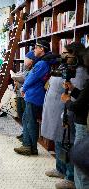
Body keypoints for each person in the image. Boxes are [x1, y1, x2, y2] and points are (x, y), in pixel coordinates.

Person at [42, 42, 88, 189]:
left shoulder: (80, 72)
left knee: (69, 142)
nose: (62, 56)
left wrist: (68, 104)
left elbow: (80, 99)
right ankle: (60, 169)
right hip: (60, 110)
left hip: (70, 113)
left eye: (65, 53)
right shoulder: (67, 67)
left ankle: (70, 177)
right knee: (59, 139)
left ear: (74, 55)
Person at [14, 40, 57, 156]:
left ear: (42, 49)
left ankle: (29, 147)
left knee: (30, 122)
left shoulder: (42, 63)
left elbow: (32, 78)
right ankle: (29, 145)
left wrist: (23, 88)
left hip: (34, 95)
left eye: (35, 48)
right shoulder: (43, 62)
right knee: (28, 120)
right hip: (35, 94)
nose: (34, 50)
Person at [61, 47, 89, 189]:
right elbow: (84, 99)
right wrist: (73, 89)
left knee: (81, 167)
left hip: (83, 123)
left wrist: (67, 100)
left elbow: (79, 106)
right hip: (81, 122)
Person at [12, 51, 38, 140]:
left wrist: (16, 78)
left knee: (25, 116)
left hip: (25, 95)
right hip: (19, 93)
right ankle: (24, 132)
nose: (24, 61)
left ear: (31, 60)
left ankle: (27, 136)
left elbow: (25, 79)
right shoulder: (25, 69)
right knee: (21, 114)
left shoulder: (33, 69)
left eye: (26, 59)